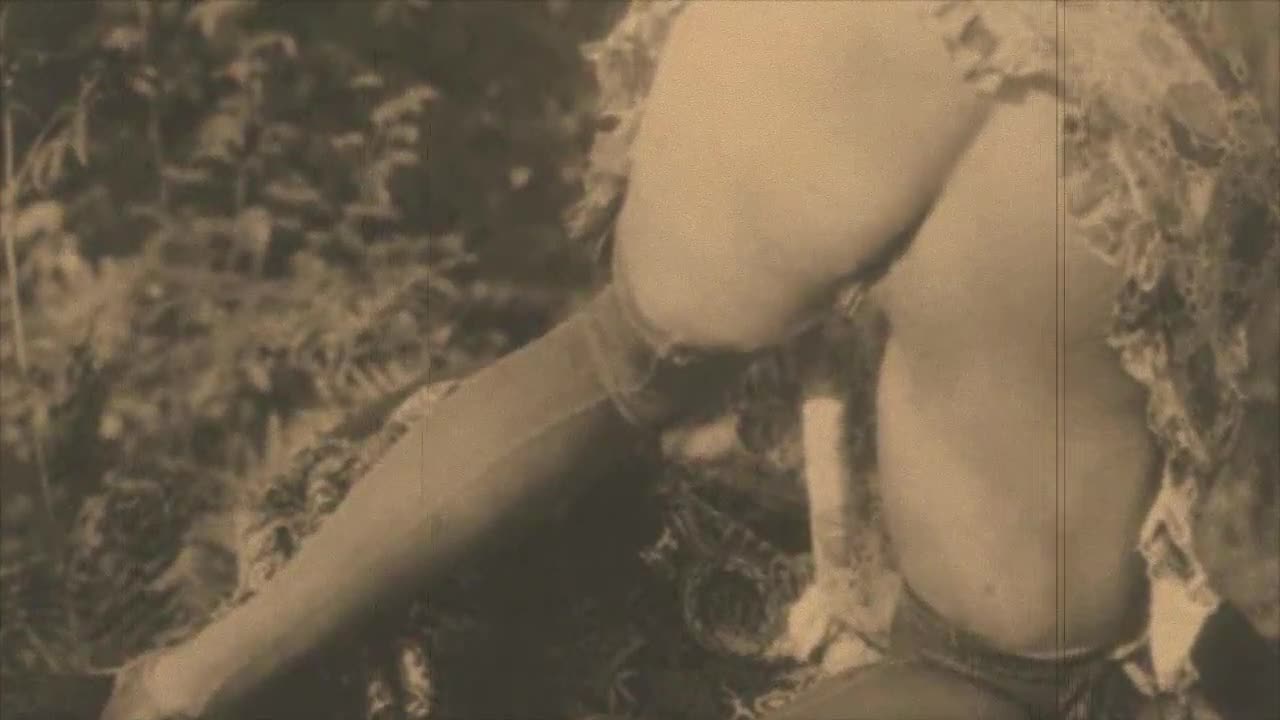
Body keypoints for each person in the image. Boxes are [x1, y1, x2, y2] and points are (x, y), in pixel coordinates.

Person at [101, 2, 1279, 719]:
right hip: (1104, 81)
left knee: (620, 355)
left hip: (867, 32)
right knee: (997, 664)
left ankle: (188, 683)